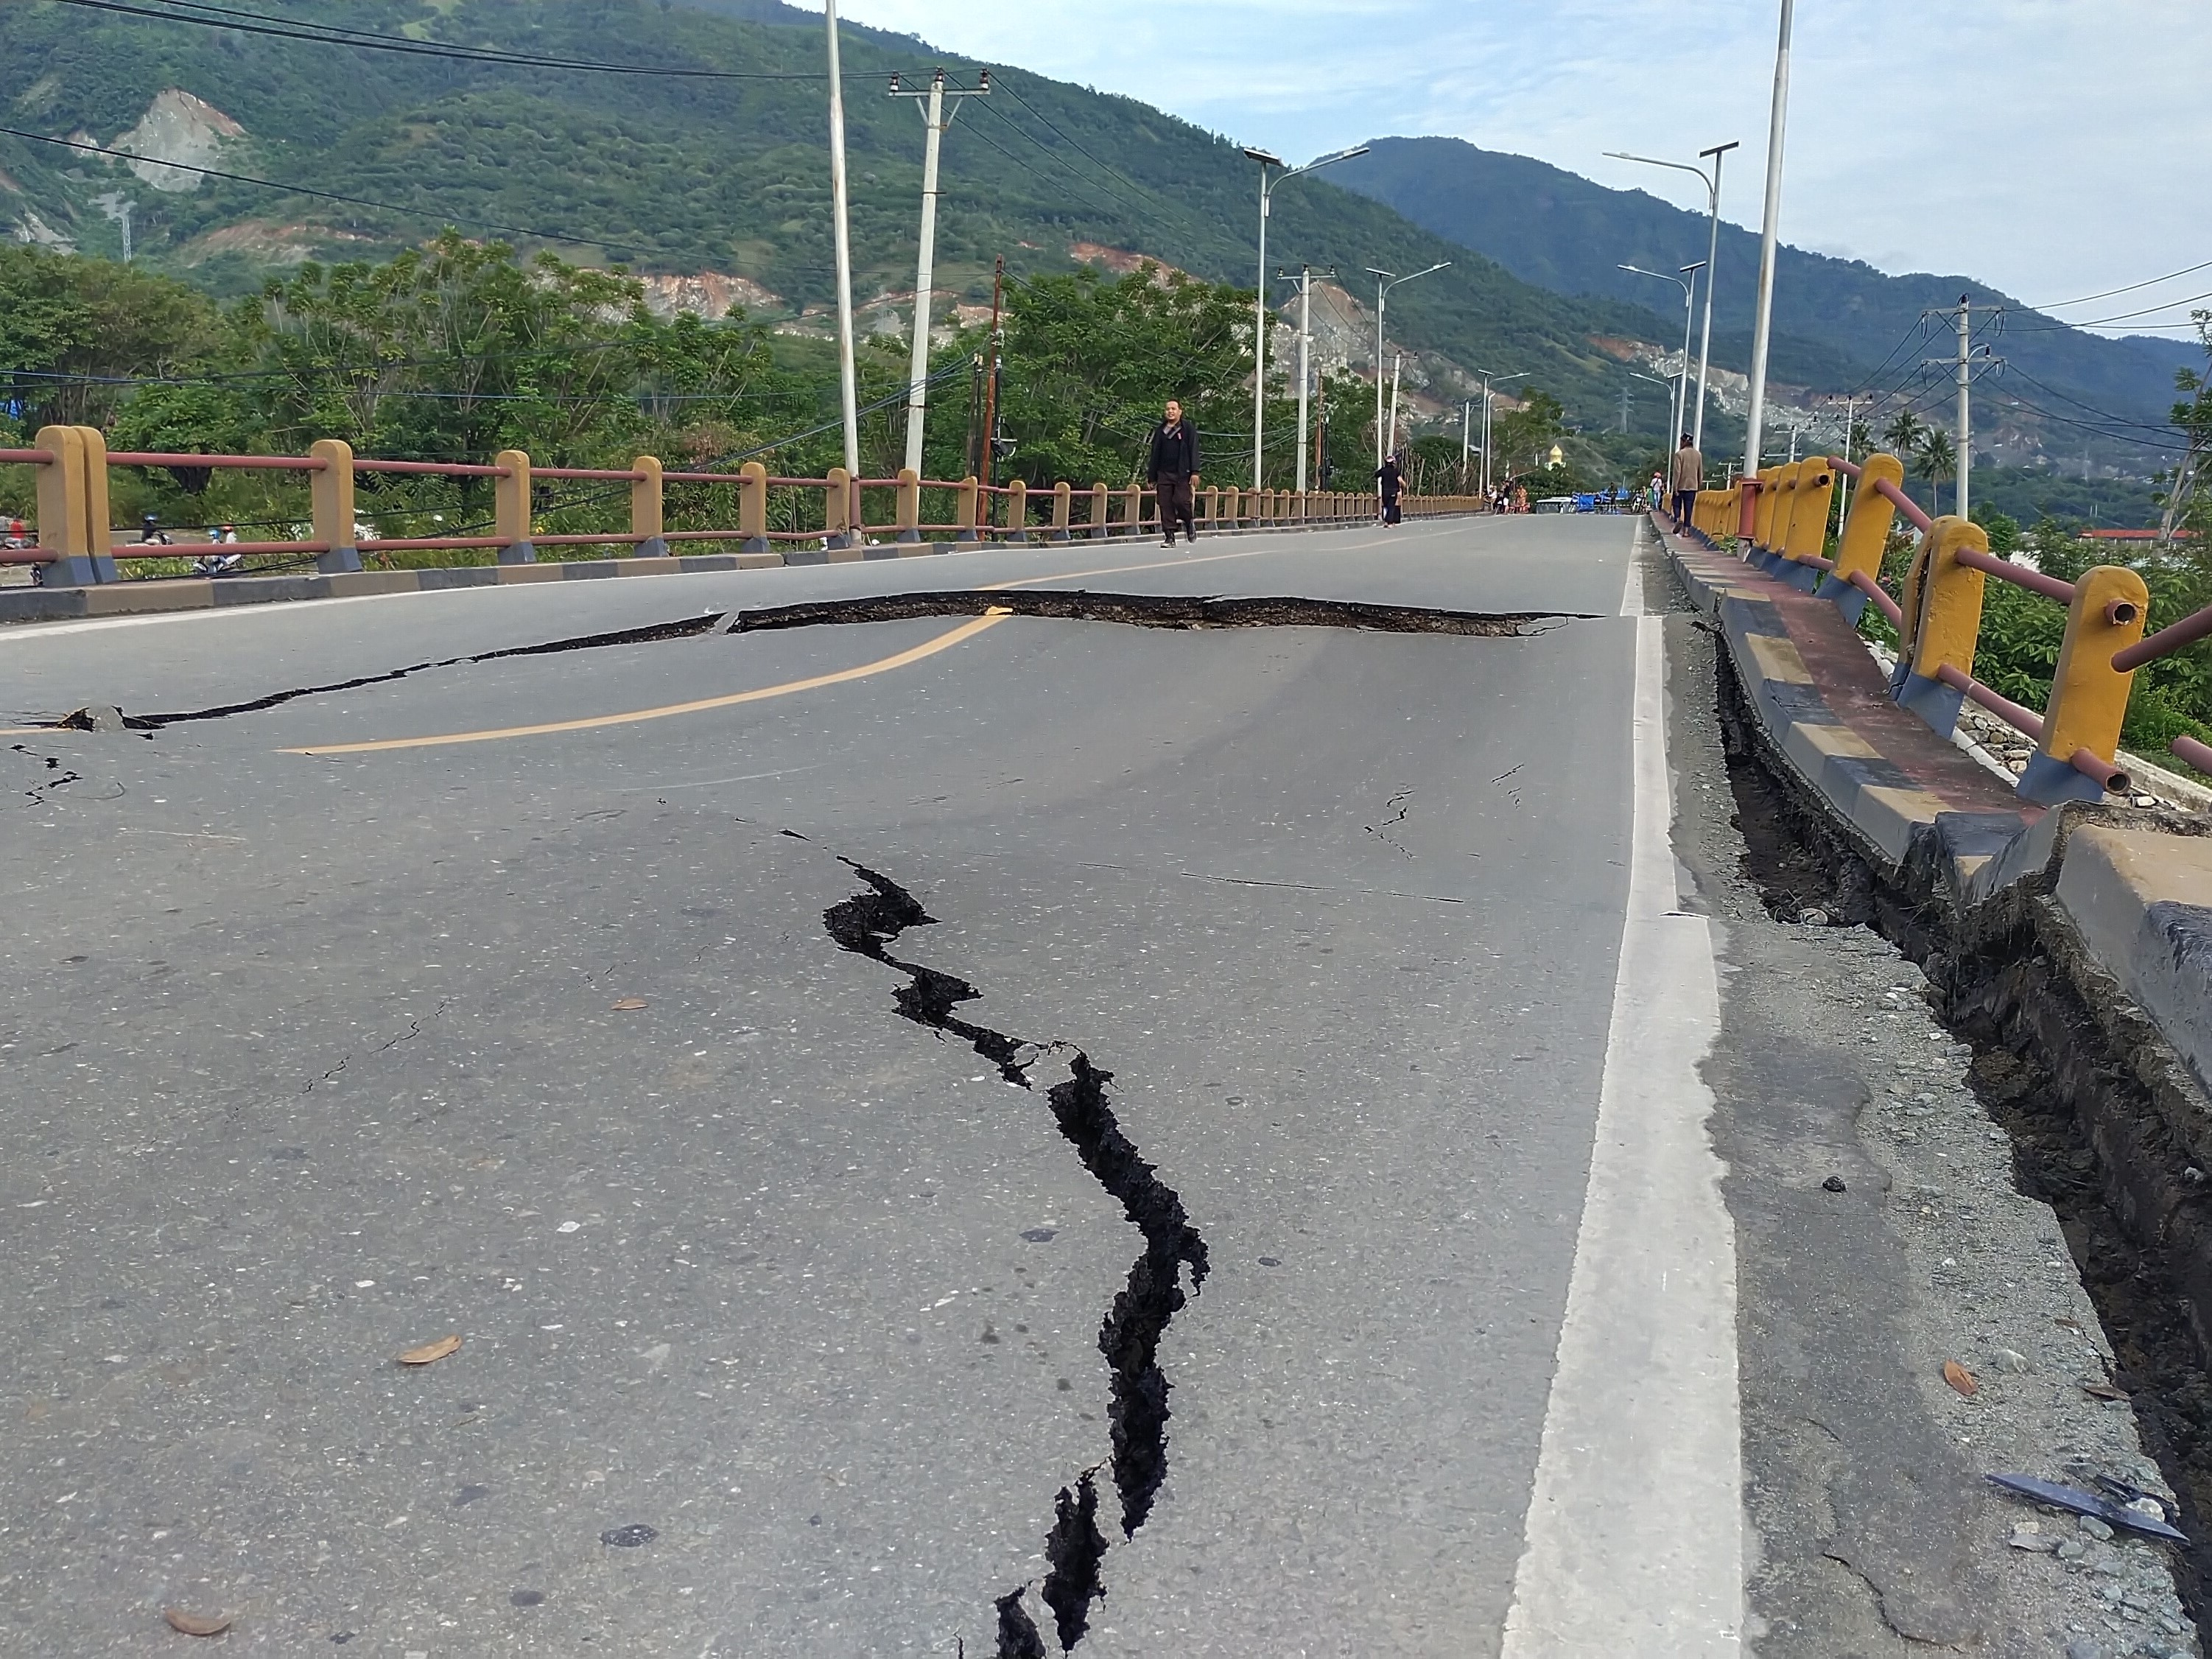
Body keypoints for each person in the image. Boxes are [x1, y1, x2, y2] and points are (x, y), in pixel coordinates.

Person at [1147, 399, 1198, 547]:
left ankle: (1189, 523)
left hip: (1182, 473)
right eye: (1168, 409)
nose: (1170, 411)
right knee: (1165, 504)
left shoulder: (1188, 429)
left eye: (1173, 409)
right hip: (1164, 473)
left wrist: (1195, 471)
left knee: (1181, 501)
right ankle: (1169, 537)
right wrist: (1151, 477)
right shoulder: (1161, 431)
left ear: (1180, 412)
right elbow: (1155, 454)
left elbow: (1193, 450)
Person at [1668, 433, 1702, 530]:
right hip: (1693, 486)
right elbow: (1700, 472)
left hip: (1681, 485)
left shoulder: (1679, 454)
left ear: (1684, 442)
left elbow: (1677, 472)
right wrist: (1699, 485)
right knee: (1689, 508)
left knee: (1676, 504)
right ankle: (1686, 531)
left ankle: (1678, 518)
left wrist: (1675, 487)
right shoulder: (1698, 455)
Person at [1375, 452, 1404, 525]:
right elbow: (1400, 480)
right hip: (1393, 491)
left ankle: (1387, 521)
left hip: (1385, 491)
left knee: (1387, 506)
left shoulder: (1383, 470)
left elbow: (1376, 475)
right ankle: (1389, 522)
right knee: (1391, 506)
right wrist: (1403, 485)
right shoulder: (1395, 471)